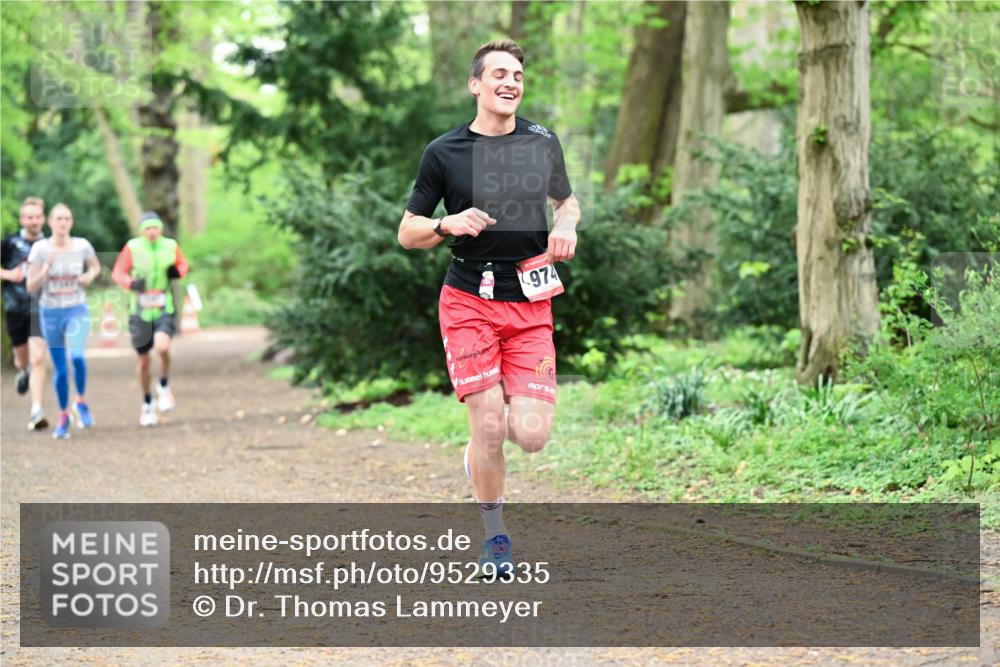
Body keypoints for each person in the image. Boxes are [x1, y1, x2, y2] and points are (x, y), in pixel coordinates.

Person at [398, 39, 580, 576]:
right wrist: (444, 223)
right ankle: (495, 535)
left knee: (531, 435)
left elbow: (564, 200)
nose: (511, 82)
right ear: (476, 85)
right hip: (469, 301)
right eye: (499, 73)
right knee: (489, 425)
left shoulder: (542, 141)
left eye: (518, 75)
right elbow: (407, 231)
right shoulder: (445, 151)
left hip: (529, 303)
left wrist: (566, 224)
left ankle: (481, 451)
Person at [26, 203, 101, 439]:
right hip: (50, 312)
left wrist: (88, 276)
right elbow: (30, 286)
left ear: (72, 222)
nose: (63, 223)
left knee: (76, 357)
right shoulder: (40, 249)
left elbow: (95, 267)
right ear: (50, 222)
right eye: (59, 218)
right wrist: (46, 269)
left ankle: (80, 401)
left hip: (76, 310)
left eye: (67, 218)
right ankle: (63, 415)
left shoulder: (82, 245)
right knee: (59, 368)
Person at [111, 211, 189, 426]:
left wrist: (177, 272)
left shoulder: (170, 246)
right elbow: (118, 272)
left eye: (155, 228)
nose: (152, 232)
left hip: (164, 306)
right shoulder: (133, 247)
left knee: (163, 347)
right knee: (144, 361)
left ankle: (163, 385)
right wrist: (130, 283)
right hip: (140, 311)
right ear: (142, 231)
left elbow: (183, 265)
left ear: (160, 229)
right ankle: (147, 403)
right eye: (147, 228)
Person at [1, 197, 51, 430]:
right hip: (15, 306)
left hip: (41, 306)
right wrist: (9, 275)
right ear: (22, 219)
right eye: (29, 217)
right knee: (23, 358)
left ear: (43, 218)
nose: (34, 221)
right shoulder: (9, 243)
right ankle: (22, 371)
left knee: (38, 358)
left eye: (37, 217)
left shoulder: (50, 244)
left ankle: (36, 410)